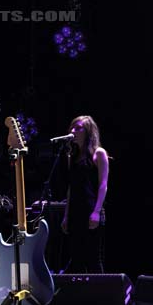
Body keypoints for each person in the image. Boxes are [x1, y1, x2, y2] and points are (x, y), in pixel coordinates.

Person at [61, 116, 109, 273]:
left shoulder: (98, 153)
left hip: (91, 211)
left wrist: (96, 212)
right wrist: (66, 216)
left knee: (93, 258)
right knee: (77, 259)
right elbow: (70, 188)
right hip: (76, 212)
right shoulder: (72, 157)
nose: (73, 131)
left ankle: (101, 296)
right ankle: (81, 296)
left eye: (78, 128)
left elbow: (103, 185)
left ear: (88, 131)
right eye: (72, 127)